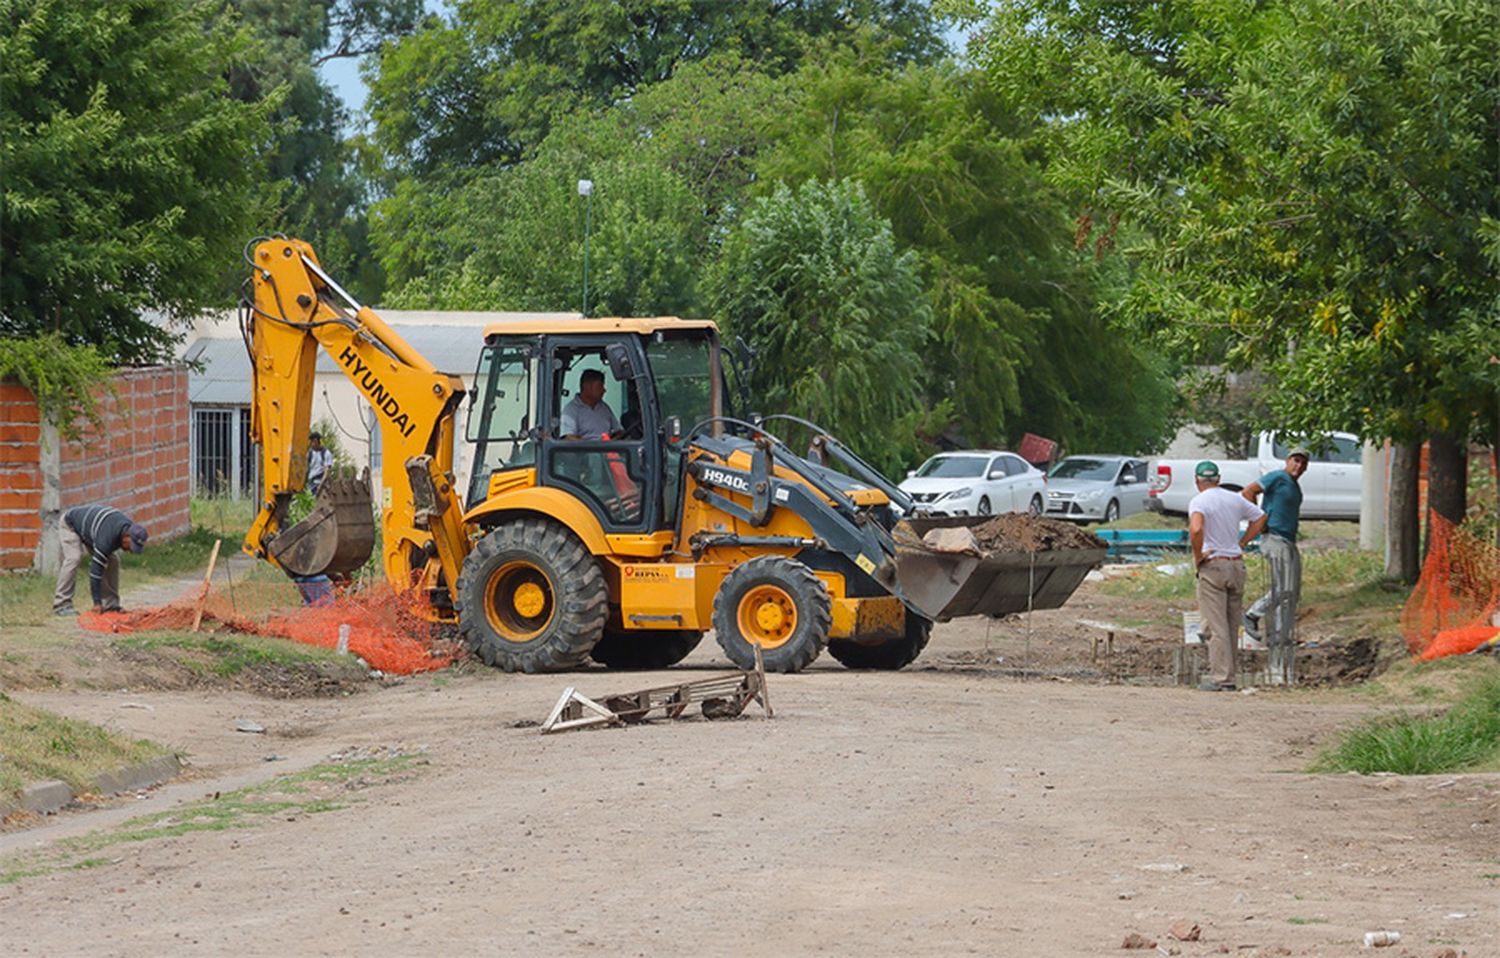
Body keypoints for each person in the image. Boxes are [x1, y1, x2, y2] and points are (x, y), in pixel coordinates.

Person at [1188, 461, 1267, 691]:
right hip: (1236, 565)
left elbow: (1195, 529)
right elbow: (1261, 517)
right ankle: (1231, 677)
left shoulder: (1199, 501)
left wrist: (1197, 556)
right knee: (1232, 624)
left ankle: (1222, 678)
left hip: (1213, 565)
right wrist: (1242, 542)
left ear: (1197, 481)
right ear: (1219, 479)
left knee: (1216, 626)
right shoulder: (1234, 498)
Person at [1242, 445, 1310, 683]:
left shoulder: (1295, 486)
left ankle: (1280, 639)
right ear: (1287, 461)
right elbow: (1249, 491)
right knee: (1284, 587)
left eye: (1303, 463)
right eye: (1295, 460)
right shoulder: (1278, 477)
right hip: (1275, 538)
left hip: (1289, 541)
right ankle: (1252, 614)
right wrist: (1258, 520)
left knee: (1292, 592)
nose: (1298, 466)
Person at [53, 504, 148, 616]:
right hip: (70, 524)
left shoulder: (127, 528)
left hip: (92, 530)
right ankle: (61, 604)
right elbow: (95, 571)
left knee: (113, 561)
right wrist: (97, 602)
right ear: (126, 536)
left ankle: (111, 605)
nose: (130, 550)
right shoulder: (107, 538)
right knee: (74, 558)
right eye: (131, 546)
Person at [559, 369, 621, 439]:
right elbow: (568, 438)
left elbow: (618, 431)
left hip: (608, 448)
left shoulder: (604, 408)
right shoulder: (571, 410)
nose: (604, 390)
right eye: (600, 386)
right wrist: (594, 446)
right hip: (585, 449)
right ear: (587, 386)